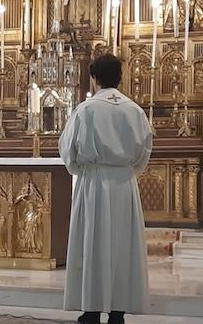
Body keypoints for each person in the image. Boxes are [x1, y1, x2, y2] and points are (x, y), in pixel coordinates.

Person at [59, 55, 152, 324]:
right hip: (124, 185)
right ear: (119, 77)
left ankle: (90, 310)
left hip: (94, 183)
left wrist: (81, 170)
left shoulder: (86, 110)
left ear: (94, 78)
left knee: (92, 244)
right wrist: (127, 171)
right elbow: (144, 152)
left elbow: (69, 150)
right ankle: (117, 312)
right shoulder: (134, 110)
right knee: (122, 247)